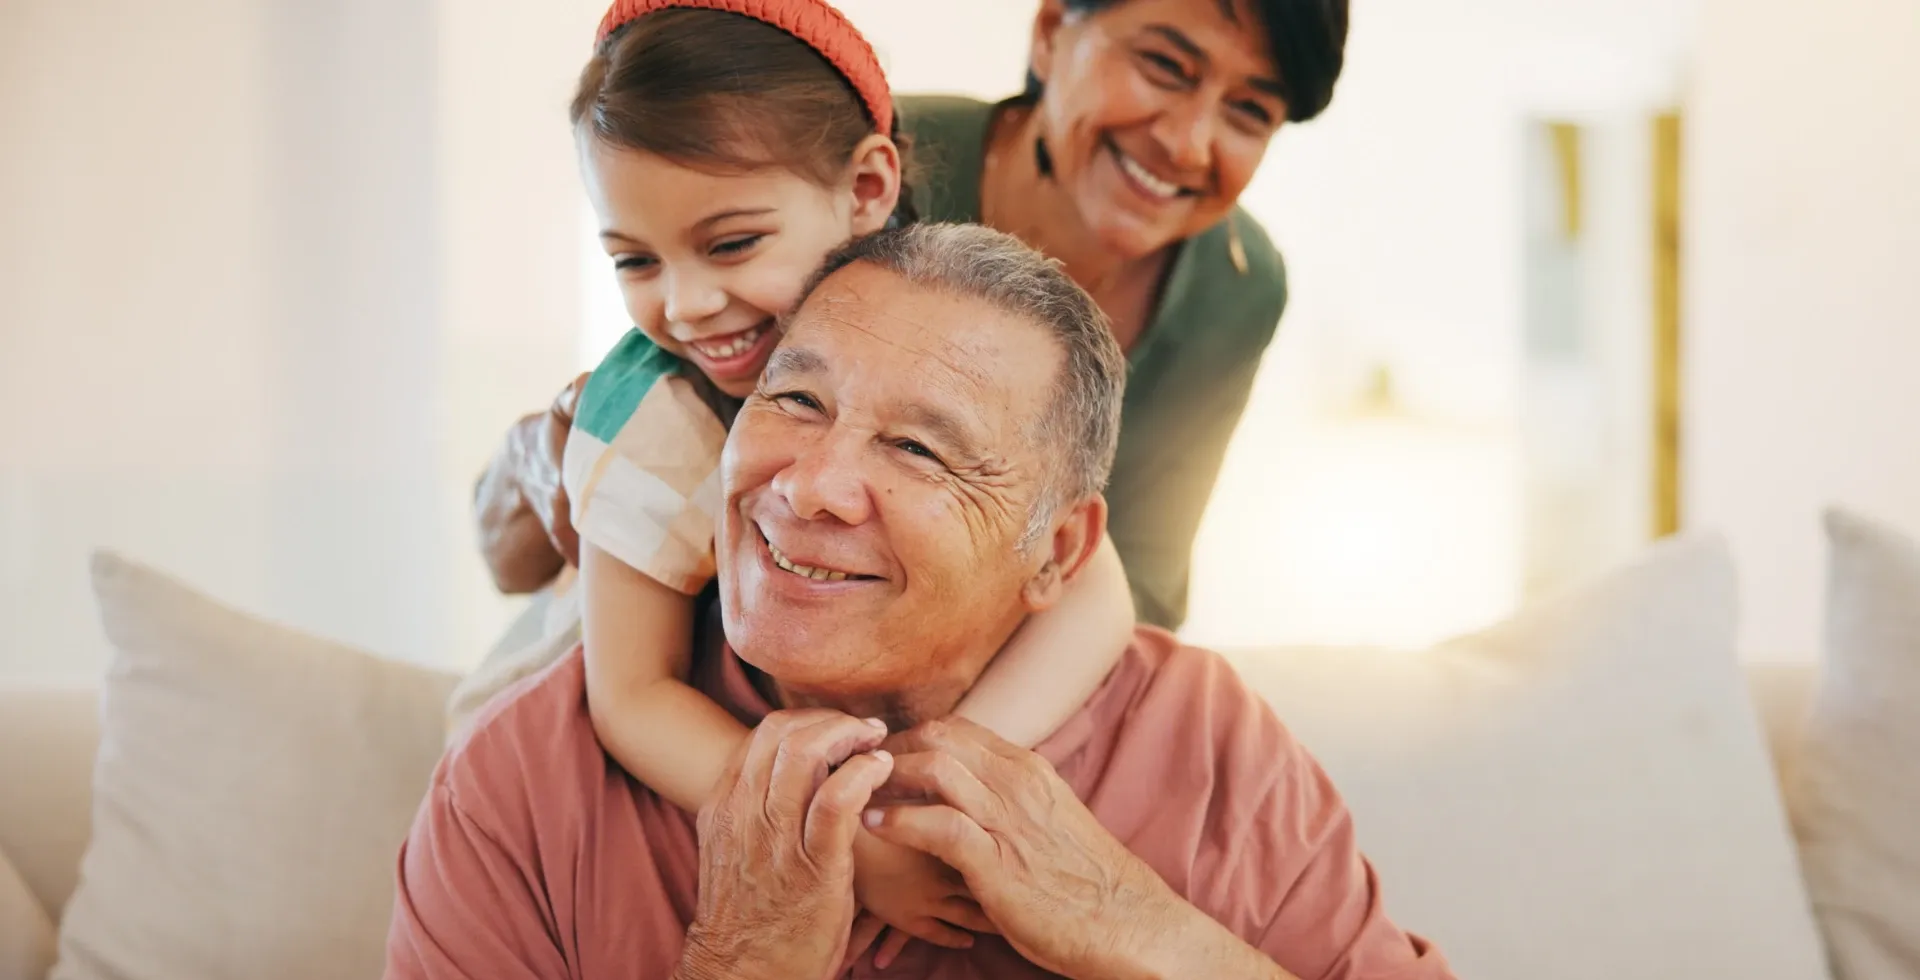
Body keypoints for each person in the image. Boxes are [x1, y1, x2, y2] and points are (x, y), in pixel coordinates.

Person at [387, 223, 1452, 980]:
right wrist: (747, 953)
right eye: (793, 399)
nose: (808, 485)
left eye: (917, 448)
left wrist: (1141, 928)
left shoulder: (1207, 748)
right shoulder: (531, 775)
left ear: (1059, 550)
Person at [531, 0, 1139, 961]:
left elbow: (1097, 595)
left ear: (866, 189)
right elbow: (633, 697)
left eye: (731, 244)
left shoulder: (942, 317)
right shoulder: (646, 417)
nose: (686, 305)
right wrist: (853, 840)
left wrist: (930, 786)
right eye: (634, 260)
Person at [475, 0, 1350, 631]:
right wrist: (548, 459)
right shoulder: (837, 174)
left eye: (1250, 110)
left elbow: (1143, 582)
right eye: (1164, 65)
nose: (1190, 141)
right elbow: (625, 437)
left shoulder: (1238, 286)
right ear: (1052, 31)